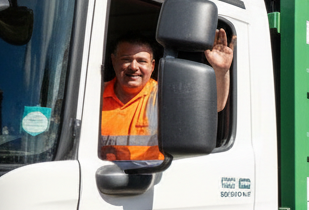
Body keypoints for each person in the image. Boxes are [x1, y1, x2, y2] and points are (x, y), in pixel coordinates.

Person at [100, 28, 235, 161]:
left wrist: (220, 71)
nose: (134, 67)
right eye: (126, 59)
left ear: (152, 66)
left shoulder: (166, 96)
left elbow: (213, 106)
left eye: (142, 61)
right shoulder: (93, 94)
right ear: (114, 61)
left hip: (147, 179)